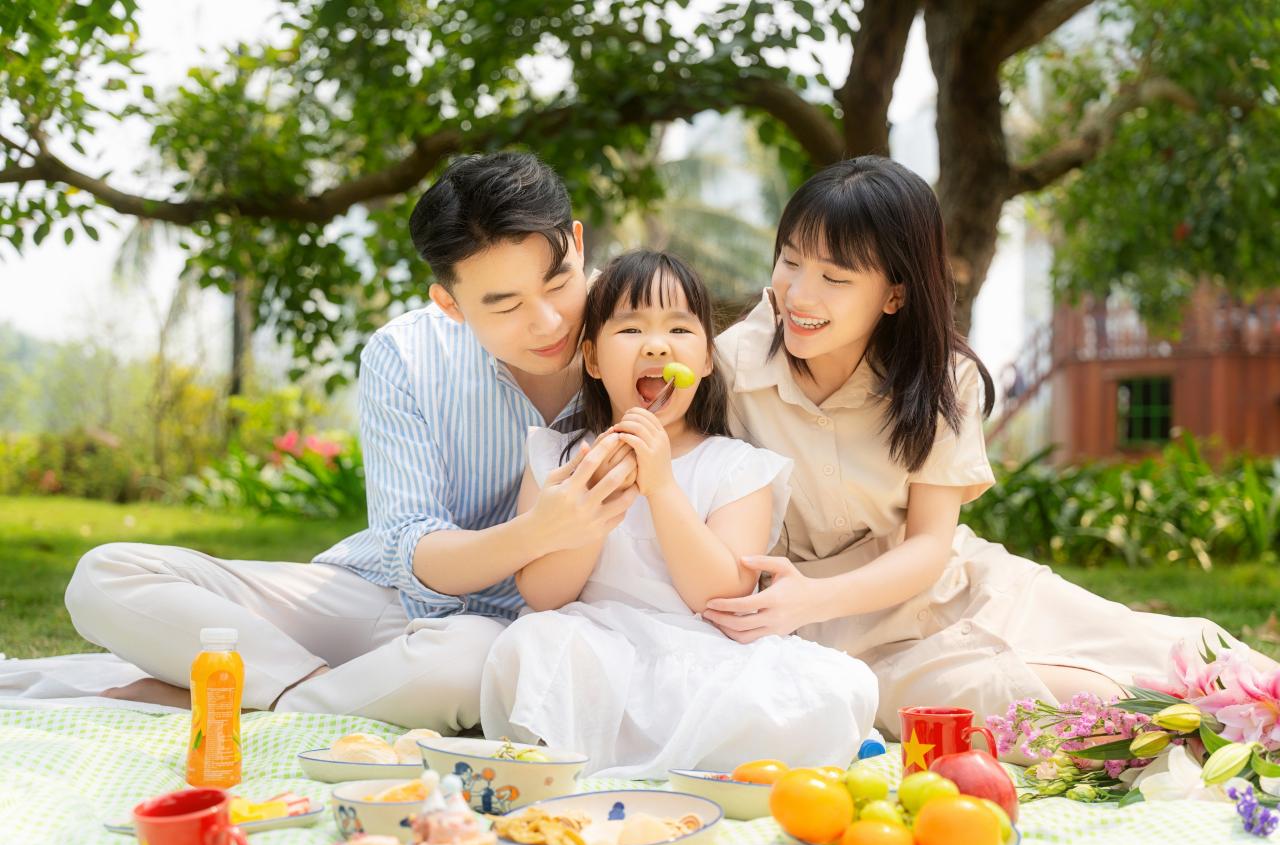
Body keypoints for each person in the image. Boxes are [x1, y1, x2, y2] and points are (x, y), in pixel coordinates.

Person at [704, 155, 1279, 739]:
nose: (798, 294)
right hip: (849, 644)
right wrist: (803, 606)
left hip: (960, 586)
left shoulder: (944, 379)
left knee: (1182, 652)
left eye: (834, 278)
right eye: (790, 261)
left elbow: (928, 544)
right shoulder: (725, 368)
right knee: (1083, 713)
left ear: (894, 294)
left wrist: (816, 598)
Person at [61, 152, 637, 730]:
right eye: (506, 305)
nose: (548, 322)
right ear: (451, 305)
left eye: (558, 282)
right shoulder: (406, 354)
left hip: (497, 634)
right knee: (104, 577)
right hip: (374, 601)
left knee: (470, 666)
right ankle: (309, 696)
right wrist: (538, 532)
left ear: (578, 244)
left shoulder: (645, 339)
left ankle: (246, 696)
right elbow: (412, 548)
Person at [480, 250, 879, 779]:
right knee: (528, 645)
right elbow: (544, 596)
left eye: (678, 328)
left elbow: (722, 594)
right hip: (598, 654)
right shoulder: (557, 456)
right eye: (629, 329)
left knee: (839, 684)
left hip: (705, 660)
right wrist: (599, 491)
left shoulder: (738, 466)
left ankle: (668, 752)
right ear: (593, 360)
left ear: (708, 361)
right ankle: (683, 756)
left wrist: (662, 486)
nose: (656, 343)